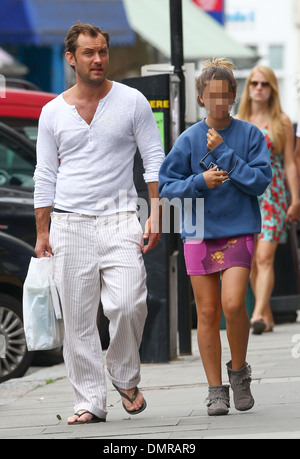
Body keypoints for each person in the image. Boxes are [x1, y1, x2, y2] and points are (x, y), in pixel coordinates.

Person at [33, 22, 165, 425]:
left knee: (128, 303)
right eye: (89, 53)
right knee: (78, 320)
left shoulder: (133, 101)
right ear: (71, 58)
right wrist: (42, 231)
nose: (98, 59)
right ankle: (90, 401)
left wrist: (157, 212)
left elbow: (155, 159)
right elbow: (44, 174)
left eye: (103, 51)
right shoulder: (51, 112)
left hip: (121, 218)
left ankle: (123, 374)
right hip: (69, 224)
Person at [158, 58, 272, 416]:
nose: (219, 102)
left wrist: (224, 152)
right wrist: (199, 182)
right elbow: (165, 187)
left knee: (234, 303)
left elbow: (260, 181)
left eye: (225, 95)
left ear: (234, 95)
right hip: (198, 233)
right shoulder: (188, 139)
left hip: (238, 229)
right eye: (212, 96)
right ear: (201, 97)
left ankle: (239, 374)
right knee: (206, 312)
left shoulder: (251, 135)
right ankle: (215, 389)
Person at [238, 66, 300, 335]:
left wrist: (296, 199)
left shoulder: (282, 122)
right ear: (248, 88)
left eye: (265, 84)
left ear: (272, 89)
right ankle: (268, 314)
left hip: (274, 195)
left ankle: (256, 315)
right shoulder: (239, 121)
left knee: (264, 257)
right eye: (254, 83)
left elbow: (290, 162)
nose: (259, 88)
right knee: (251, 260)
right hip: (246, 195)